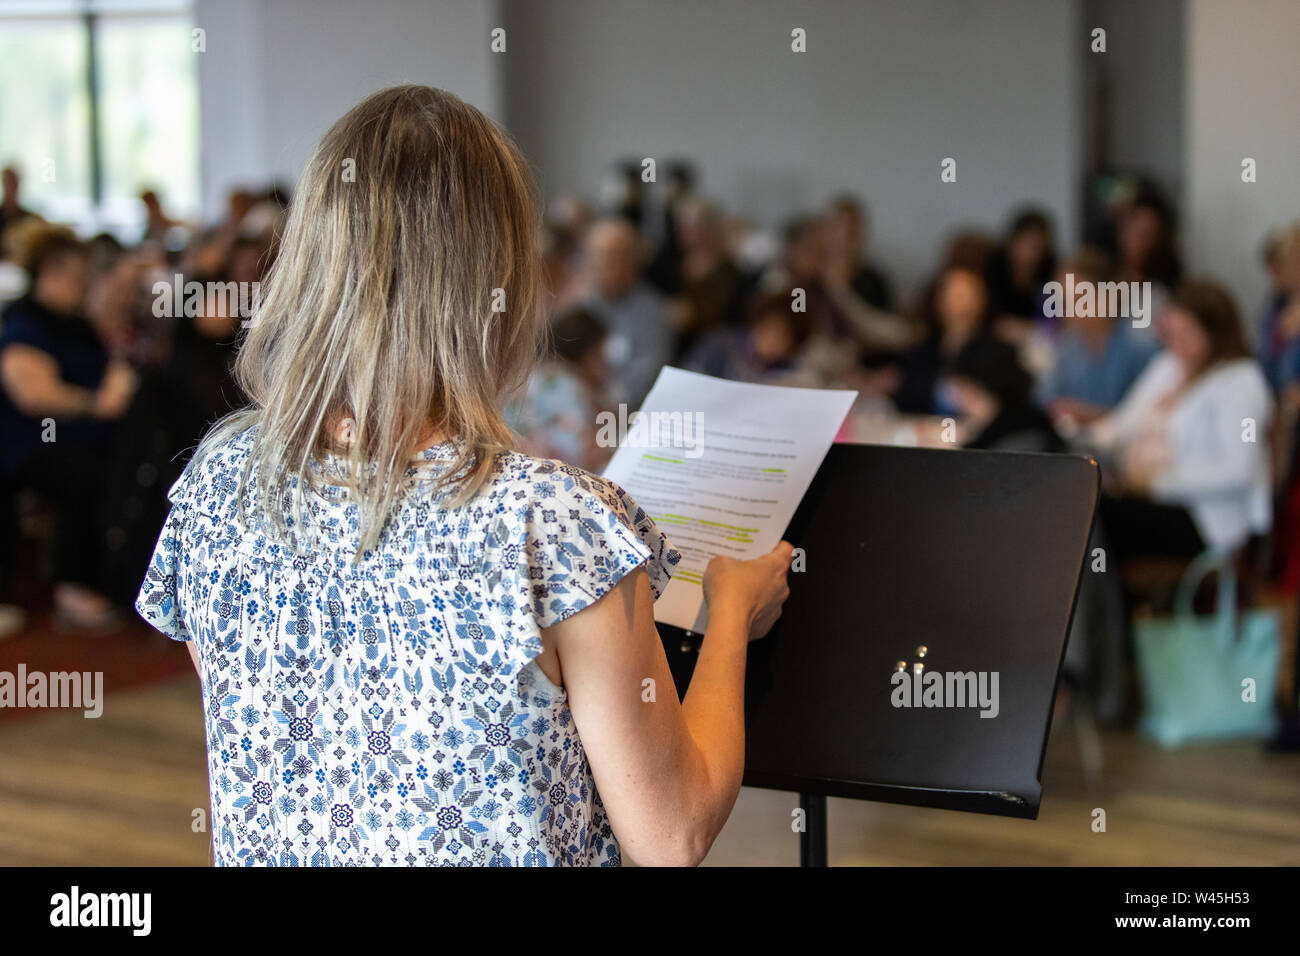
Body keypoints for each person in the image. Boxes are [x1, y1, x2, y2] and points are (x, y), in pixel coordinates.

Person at [135, 85, 792, 868]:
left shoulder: (218, 483)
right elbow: (672, 834)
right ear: (500, 280)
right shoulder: (546, 523)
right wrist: (730, 612)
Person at [0, 222, 137, 626]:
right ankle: (73, 584)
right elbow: (32, 394)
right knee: (88, 474)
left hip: (82, 437)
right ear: (52, 275)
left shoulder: (76, 323)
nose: (83, 287)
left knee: (131, 460)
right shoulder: (26, 322)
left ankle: (121, 575)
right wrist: (96, 403)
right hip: (30, 444)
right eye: (78, 279)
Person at [1090, 279, 1272, 561]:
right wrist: (1078, 438)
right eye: (1172, 333)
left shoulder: (1242, 381)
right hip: (1146, 496)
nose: (1177, 343)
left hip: (1204, 516)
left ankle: (1104, 605)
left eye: (1187, 333)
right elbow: (1120, 424)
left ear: (1215, 332)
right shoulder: (1169, 366)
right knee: (1080, 506)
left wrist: (1158, 482)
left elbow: (1240, 468)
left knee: (1095, 519)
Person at [1039, 248, 1158, 429]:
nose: (1070, 308)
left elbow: (1146, 414)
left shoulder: (1140, 348)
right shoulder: (1069, 346)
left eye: (1079, 299)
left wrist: (1092, 414)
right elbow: (1044, 398)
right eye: (1065, 300)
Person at [582, 217, 673, 409]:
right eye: (596, 256)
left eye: (612, 257)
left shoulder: (653, 312)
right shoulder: (582, 305)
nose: (602, 264)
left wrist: (604, 404)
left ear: (632, 261)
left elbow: (647, 377)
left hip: (630, 418)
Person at [507, 306, 610, 471]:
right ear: (588, 355)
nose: (607, 365)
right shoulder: (562, 384)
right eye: (601, 355)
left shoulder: (536, 375)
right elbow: (584, 453)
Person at [948, 335, 1064, 453]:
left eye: (961, 388)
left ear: (976, 388)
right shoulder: (1036, 421)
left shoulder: (993, 444)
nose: (955, 398)